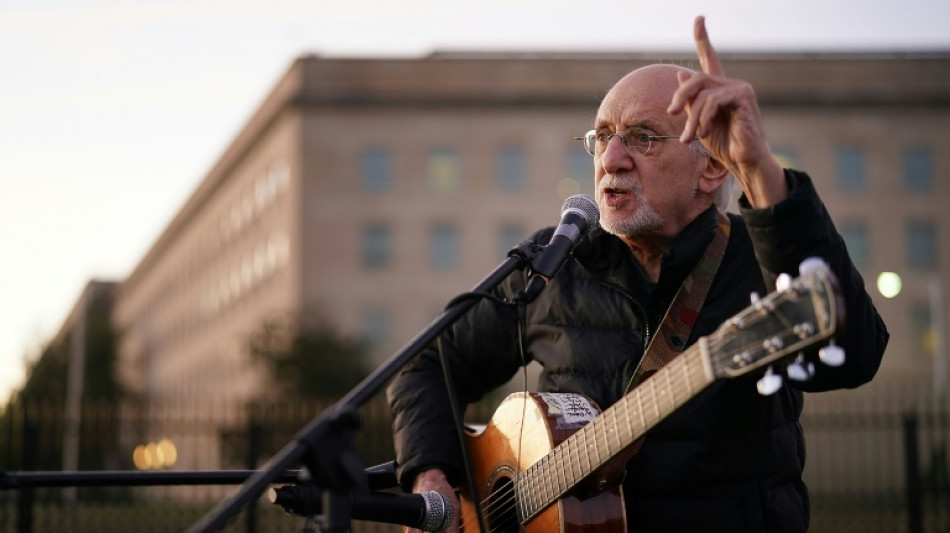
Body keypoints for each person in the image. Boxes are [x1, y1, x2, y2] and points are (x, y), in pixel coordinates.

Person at [387, 16, 888, 533]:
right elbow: (427, 364)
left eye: (643, 138)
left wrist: (760, 168)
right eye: (602, 137)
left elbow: (856, 357)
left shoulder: (762, 256)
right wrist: (432, 476)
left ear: (712, 167)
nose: (612, 158)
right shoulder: (554, 259)